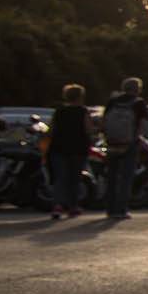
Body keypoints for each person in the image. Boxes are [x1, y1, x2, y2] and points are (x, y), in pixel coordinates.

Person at [102, 76, 148, 220]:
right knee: (126, 178)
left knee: (111, 177)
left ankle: (110, 209)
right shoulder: (139, 103)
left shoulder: (113, 101)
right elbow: (142, 124)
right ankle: (121, 209)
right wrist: (137, 139)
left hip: (112, 143)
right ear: (138, 90)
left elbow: (104, 122)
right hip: (129, 144)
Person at [46, 83, 90, 219]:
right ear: (81, 97)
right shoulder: (83, 111)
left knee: (60, 178)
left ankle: (57, 205)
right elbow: (88, 129)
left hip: (58, 148)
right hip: (78, 149)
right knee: (74, 178)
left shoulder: (59, 111)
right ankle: (73, 206)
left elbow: (51, 130)